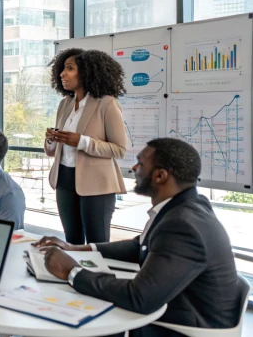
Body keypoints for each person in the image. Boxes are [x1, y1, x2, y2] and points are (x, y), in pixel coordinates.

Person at [34, 138, 242, 337]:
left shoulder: (182, 225)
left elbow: (139, 297)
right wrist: (77, 249)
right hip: (177, 309)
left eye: (140, 164)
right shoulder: (187, 205)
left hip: (182, 328)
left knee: (64, 321)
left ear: (160, 176)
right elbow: (140, 245)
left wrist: (72, 271)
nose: (134, 169)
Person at [44, 48, 129, 245]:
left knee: (97, 244)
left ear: (87, 72)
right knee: (72, 241)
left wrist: (82, 142)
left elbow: (119, 149)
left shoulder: (106, 104)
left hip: (96, 184)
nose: (62, 74)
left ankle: (98, 277)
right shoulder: (65, 104)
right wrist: (51, 139)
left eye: (70, 68)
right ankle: (72, 274)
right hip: (64, 179)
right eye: (63, 69)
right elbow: (52, 151)